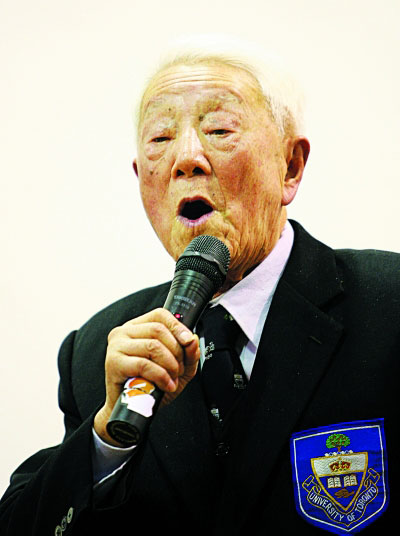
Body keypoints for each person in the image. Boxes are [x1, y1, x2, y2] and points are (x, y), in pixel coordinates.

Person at [1, 40, 399, 535]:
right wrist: (107, 439)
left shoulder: (389, 305)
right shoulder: (97, 353)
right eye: (161, 137)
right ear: (141, 180)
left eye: (219, 130)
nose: (186, 158)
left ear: (290, 167)